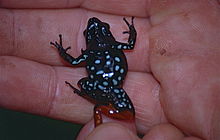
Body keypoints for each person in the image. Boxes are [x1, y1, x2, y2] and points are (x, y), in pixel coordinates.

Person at [0, 0, 219, 140]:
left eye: (101, 28)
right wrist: (131, 31)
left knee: (119, 108)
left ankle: (102, 109)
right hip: (112, 88)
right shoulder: (110, 47)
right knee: (91, 90)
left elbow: (72, 60)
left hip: (112, 88)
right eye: (92, 30)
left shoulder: (91, 54)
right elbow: (129, 45)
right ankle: (102, 109)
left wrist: (61, 50)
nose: (96, 25)